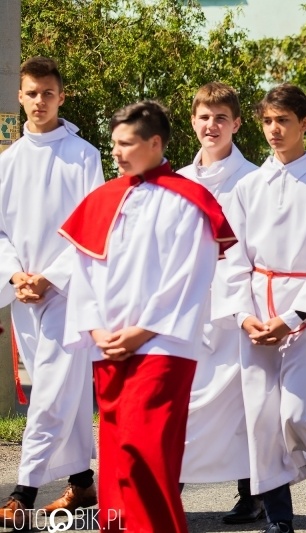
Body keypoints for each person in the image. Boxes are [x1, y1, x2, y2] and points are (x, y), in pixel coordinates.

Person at [60, 100, 235, 533]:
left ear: (155, 143)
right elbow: (83, 270)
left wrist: (142, 331)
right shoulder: (102, 199)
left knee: (149, 455)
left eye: (126, 144)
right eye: (114, 144)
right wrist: (97, 329)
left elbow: (190, 274)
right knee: (119, 457)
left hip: (164, 346)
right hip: (110, 347)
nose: (116, 153)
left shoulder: (189, 200)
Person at [216, 83, 306, 533]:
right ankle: (279, 518)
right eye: (268, 121)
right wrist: (243, 314)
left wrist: (293, 317)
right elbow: (232, 255)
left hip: (302, 315)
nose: (274, 130)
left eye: (283, 121)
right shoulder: (249, 185)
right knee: (261, 417)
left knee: (300, 414)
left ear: (304, 123)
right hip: (256, 309)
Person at [0, 57, 102, 529]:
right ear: (19, 96)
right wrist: (17, 275)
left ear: (62, 97)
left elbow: (94, 228)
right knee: (63, 394)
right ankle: (82, 483)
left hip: (67, 291)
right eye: (31, 93)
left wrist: (51, 277)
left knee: (49, 395)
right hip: (24, 292)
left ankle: (21, 492)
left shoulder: (84, 156)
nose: (39, 101)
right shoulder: (7, 161)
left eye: (48, 93)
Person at [177, 82, 262, 524]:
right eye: (204, 117)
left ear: (236, 123)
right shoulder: (177, 181)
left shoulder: (254, 179)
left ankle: (252, 493)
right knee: (185, 401)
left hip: (236, 310)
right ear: (193, 120)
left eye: (221, 118)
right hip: (188, 309)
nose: (212, 126)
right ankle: (170, 490)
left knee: (240, 404)